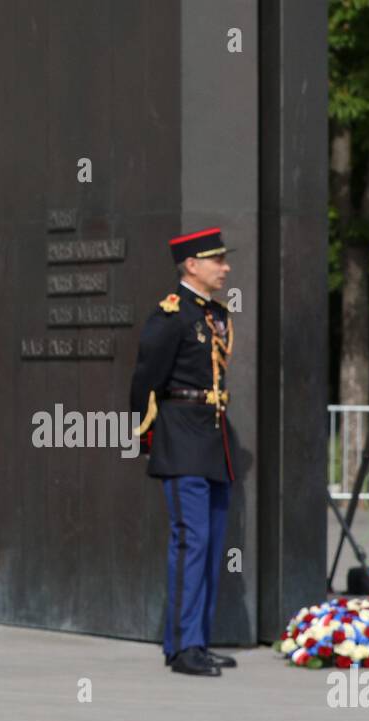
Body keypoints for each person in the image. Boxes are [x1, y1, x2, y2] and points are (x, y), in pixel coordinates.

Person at [129, 228, 238, 677]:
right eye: (217, 260)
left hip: (213, 440)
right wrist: (143, 433)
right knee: (190, 544)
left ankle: (199, 639)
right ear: (191, 264)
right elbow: (143, 380)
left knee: (210, 545)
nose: (225, 267)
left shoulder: (215, 314)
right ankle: (181, 647)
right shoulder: (170, 315)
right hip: (180, 437)